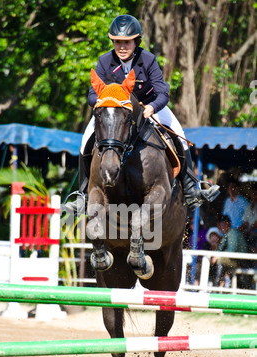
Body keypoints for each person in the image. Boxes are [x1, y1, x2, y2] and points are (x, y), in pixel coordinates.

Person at [65, 14, 220, 214]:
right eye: (117, 42)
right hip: (114, 112)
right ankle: (83, 195)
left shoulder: (147, 59)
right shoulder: (104, 61)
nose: (121, 47)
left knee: (180, 136)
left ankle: (191, 189)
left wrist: (153, 107)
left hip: (149, 107)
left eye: (126, 42)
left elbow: (163, 91)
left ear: (136, 41)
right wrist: (109, 104)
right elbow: (92, 96)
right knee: (86, 139)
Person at [212, 215, 248, 287]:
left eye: (224, 225)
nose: (223, 227)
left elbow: (231, 250)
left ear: (229, 224)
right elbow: (220, 248)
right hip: (234, 259)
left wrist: (217, 256)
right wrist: (215, 255)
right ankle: (218, 284)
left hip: (242, 261)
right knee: (218, 261)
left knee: (221, 260)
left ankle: (217, 285)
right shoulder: (227, 234)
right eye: (221, 225)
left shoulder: (233, 233)